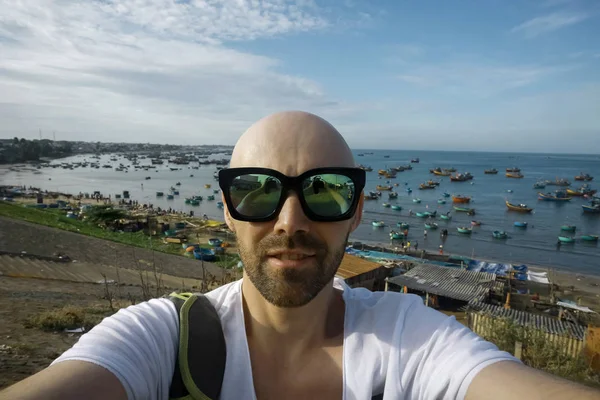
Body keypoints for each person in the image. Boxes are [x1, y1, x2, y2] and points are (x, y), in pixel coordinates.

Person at [3, 111, 598, 400]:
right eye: (257, 190)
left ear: (358, 210)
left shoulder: (410, 341)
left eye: (326, 190)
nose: (291, 220)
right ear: (228, 210)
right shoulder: (160, 339)